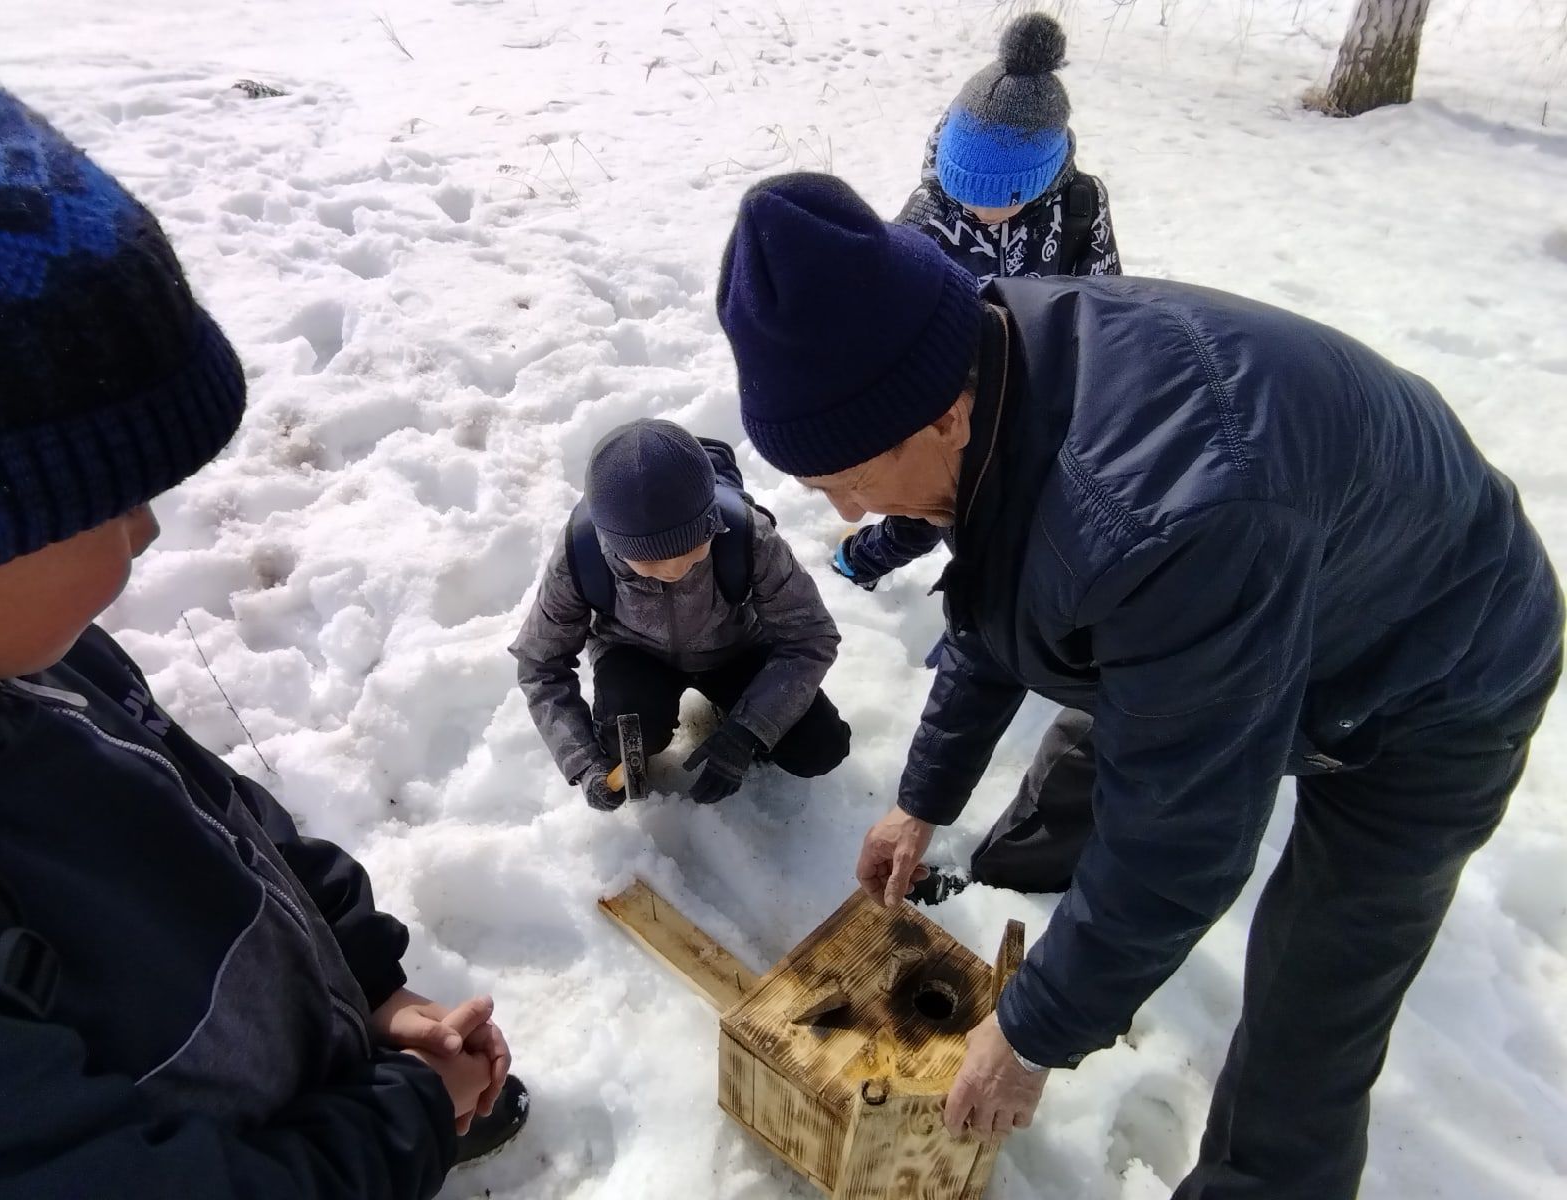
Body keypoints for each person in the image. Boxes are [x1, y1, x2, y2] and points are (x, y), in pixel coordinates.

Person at [715, 171, 1562, 1199]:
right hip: (1260, 592)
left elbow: (1184, 841)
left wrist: (1030, 1033)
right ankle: (1041, 885)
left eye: (846, 477)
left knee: (1314, 993)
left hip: (1433, 673)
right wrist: (921, 798)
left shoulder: (1164, 511)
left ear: (939, 416)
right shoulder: (987, 351)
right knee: (1123, 733)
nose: (848, 512)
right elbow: (1003, 586)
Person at [0, 74, 526, 1199]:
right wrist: (404, 1119)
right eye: (100, 500)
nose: (147, 524)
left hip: (315, 1082)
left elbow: (211, 808)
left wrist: (372, 991)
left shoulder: (26, 651)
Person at [832, 12, 1121, 597]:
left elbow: (1106, 298)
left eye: (1000, 201)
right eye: (963, 194)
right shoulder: (927, 214)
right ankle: (874, 563)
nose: (979, 212)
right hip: (951, 393)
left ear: (1044, 175)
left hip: (1042, 391)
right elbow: (887, 302)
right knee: (938, 505)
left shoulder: (1081, 206)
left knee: (1030, 511)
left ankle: (1020, 603)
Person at [510, 419, 849, 810]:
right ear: (615, 546)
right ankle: (647, 715)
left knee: (820, 747)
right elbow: (540, 664)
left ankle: (732, 707)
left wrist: (749, 730)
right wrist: (583, 762)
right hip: (635, 653)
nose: (673, 571)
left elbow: (809, 637)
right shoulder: (581, 553)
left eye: (693, 553)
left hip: (735, 647)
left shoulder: (747, 535)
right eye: (650, 564)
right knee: (623, 738)